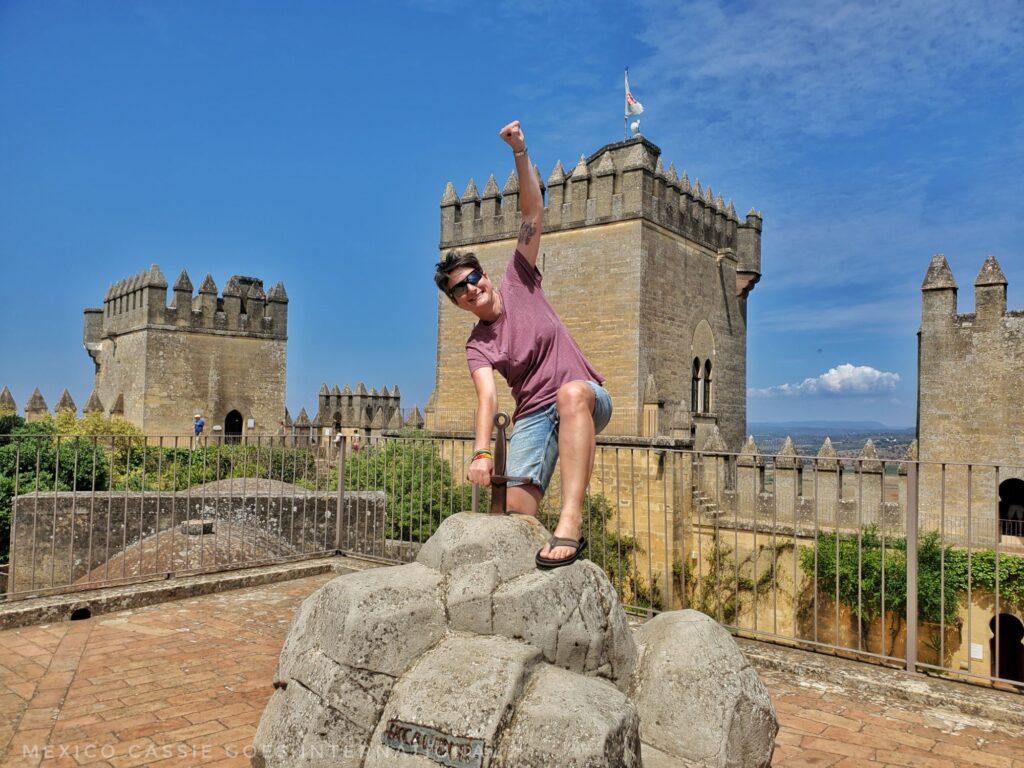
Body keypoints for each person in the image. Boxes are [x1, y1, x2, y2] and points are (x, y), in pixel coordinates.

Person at [433, 120, 612, 570]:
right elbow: (487, 398)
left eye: (474, 278)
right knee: (515, 510)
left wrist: (519, 151)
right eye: (460, 291)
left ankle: (570, 523)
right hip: (532, 416)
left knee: (572, 392)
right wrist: (480, 453)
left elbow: (532, 215)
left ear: (486, 274)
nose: (472, 289)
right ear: (457, 304)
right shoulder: (478, 346)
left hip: (585, 398)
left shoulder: (519, 279)